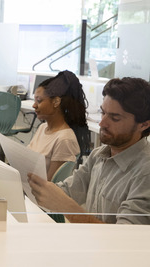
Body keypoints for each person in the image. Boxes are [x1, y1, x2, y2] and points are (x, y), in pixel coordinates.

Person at [28, 77, 150, 224]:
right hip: (90, 242)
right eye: (103, 112)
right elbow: (68, 190)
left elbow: (124, 238)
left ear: (143, 124)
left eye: (115, 118)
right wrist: (29, 182)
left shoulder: (145, 173)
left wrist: (68, 208)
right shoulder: (99, 155)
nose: (102, 123)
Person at [27, 70, 90, 180]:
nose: (34, 105)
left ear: (56, 102)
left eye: (39, 101)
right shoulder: (42, 128)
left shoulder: (64, 139)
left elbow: (50, 186)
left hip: (37, 193)